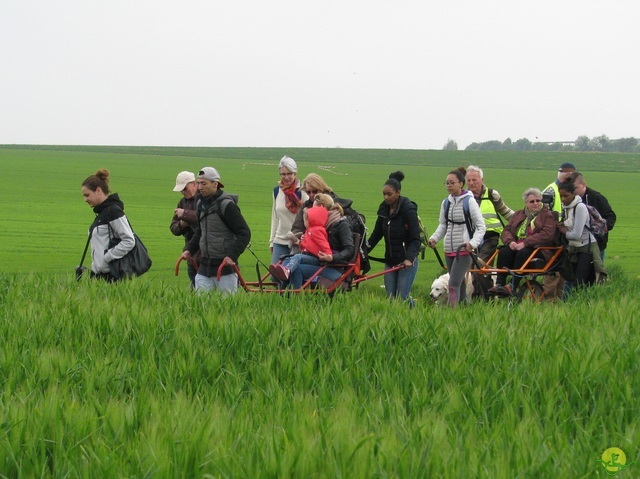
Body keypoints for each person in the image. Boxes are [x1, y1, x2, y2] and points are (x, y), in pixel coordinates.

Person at [182, 167, 251, 295]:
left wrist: (232, 256)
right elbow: (200, 231)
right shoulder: (200, 205)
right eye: (198, 183)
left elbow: (244, 233)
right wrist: (189, 249)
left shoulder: (227, 206)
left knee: (226, 307)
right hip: (204, 266)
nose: (200, 187)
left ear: (215, 184)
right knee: (200, 306)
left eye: (204, 183)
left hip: (224, 268)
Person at [428, 168, 486, 308]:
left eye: (452, 183)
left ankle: (451, 312)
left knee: (452, 283)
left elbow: (481, 227)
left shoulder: (469, 202)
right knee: (459, 283)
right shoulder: (446, 203)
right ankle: (462, 311)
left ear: (461, 183)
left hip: (464, 250)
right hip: (449, 248)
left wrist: (472, 244)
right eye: (447, 183)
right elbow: (443, 225)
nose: (449, 185)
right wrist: (434, 238)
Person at [488, 188, 558, 296]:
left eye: (538, 200)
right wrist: (510, 242)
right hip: (517, 245)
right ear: (526, 203)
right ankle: (500, 284)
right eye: (532, 201)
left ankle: (513, 285)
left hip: (537, 248)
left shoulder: (547, 215)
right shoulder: (518, 214)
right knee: (504, 251)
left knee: (523, 252)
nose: (536, 203)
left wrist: (525, 243)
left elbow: (546, 235)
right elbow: (507, 230)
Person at [366, 171, 421, 307]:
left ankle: (414, 312)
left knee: (401, 298)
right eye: (384, 194)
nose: (386, 197)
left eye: (389, 194)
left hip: (406, 261)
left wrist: (409, 258)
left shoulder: (408, 210)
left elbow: (416, 239)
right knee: (391, 298)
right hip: (390, 260)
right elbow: (377, 234)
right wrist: (364, 250)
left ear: (398, 192)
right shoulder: (384, 211)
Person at [465, 165, 515, 299]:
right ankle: (483, 297)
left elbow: (505, 211)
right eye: (468, 180)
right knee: (473, 269)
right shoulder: (464, 197)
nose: (471, 183)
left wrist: (521, 221)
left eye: (474, 180)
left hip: (490, 237)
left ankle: (485, 298)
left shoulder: (492, 195)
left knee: (479, 266)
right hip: (471, 239)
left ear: (482, 179)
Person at [287, 193, 355, 290]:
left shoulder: (341, 225)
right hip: (321, 263)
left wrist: (332, 257)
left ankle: (293, 298)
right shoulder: (320, 224)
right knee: (291, 264)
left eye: (314, 208)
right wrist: (306, 241)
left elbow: (349, 249)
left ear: (322, 208)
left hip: (334, 267)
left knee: (296, 269)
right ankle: (290, 296)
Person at [81, 169, 135, 282]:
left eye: (87, 195)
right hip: (100, 276)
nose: (85, 199)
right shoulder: (102, 213)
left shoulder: (113, 211)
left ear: (99, 190)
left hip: (113, 276)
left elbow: (129, 240)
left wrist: (107, 257)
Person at [269, 196, 332, 282]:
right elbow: (307, 245)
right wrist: (299, 242)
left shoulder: (317, 231)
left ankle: (287, 270)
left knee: (298, 257)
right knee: (288, 258)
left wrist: (328, 255)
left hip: (315, 258)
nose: (304, 222)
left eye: (305, 220)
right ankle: (281, 271)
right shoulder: (309, 231)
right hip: (307, 256)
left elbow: (324, 244)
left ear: (311, 220)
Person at [557, 181, 605, 292]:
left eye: (566, 196)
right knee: (569, 279)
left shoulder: (580, 207)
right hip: (574, 249)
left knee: (579, 283)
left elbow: (576, 234)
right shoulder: (566, 207)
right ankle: (568, 305)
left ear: (574, 193)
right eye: (561, 196)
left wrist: (563, 230)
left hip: (586, 248)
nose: (563, 199)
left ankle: (579, 305)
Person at [541, 162, 576, 300]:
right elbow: (542, 214)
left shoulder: (563, 189)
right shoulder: (551, 190)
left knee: (562, 272)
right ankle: (548, 302)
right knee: (552, 271)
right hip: (553, 237)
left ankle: (557, 302)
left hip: (563, 235)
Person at [290, 173, 355, 238]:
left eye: (315, 191)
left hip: (336, 243)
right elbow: (296, 228)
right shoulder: (306, 206)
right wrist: (302, 236)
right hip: (314, 243)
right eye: (308, 192)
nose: (311, 195)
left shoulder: (334, 201)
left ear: (322, 188)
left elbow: (357, 217)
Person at [270, 156, 308, 267]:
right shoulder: (277, 191)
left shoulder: (303, 192)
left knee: (292, 275)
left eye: (289, 173)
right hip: (280, 240)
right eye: (283, 174)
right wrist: (272, 241)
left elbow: (308, 218)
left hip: (297, 241)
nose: (286, 177)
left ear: (295, 173)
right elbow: (275, 217)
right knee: (276, 275)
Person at [572, 172, 616, 260]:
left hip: (597, 246)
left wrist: (601, 228)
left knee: (597, 273)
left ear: (583, 184)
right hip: (577, 246)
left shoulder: (597, 198)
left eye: (575, 188)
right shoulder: (570, 199)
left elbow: (611, 217)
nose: (573, 191)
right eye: (571, 189)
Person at [170, 171, 199, 287]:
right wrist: (182, 224)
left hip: (206, 254)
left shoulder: (204, 200)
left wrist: (186, 214)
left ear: (194, 184)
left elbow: (206, 219)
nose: (182, 192)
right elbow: (173, 228)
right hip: (191, 254)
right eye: (181, 190)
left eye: (185, 188)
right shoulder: (182, 202)